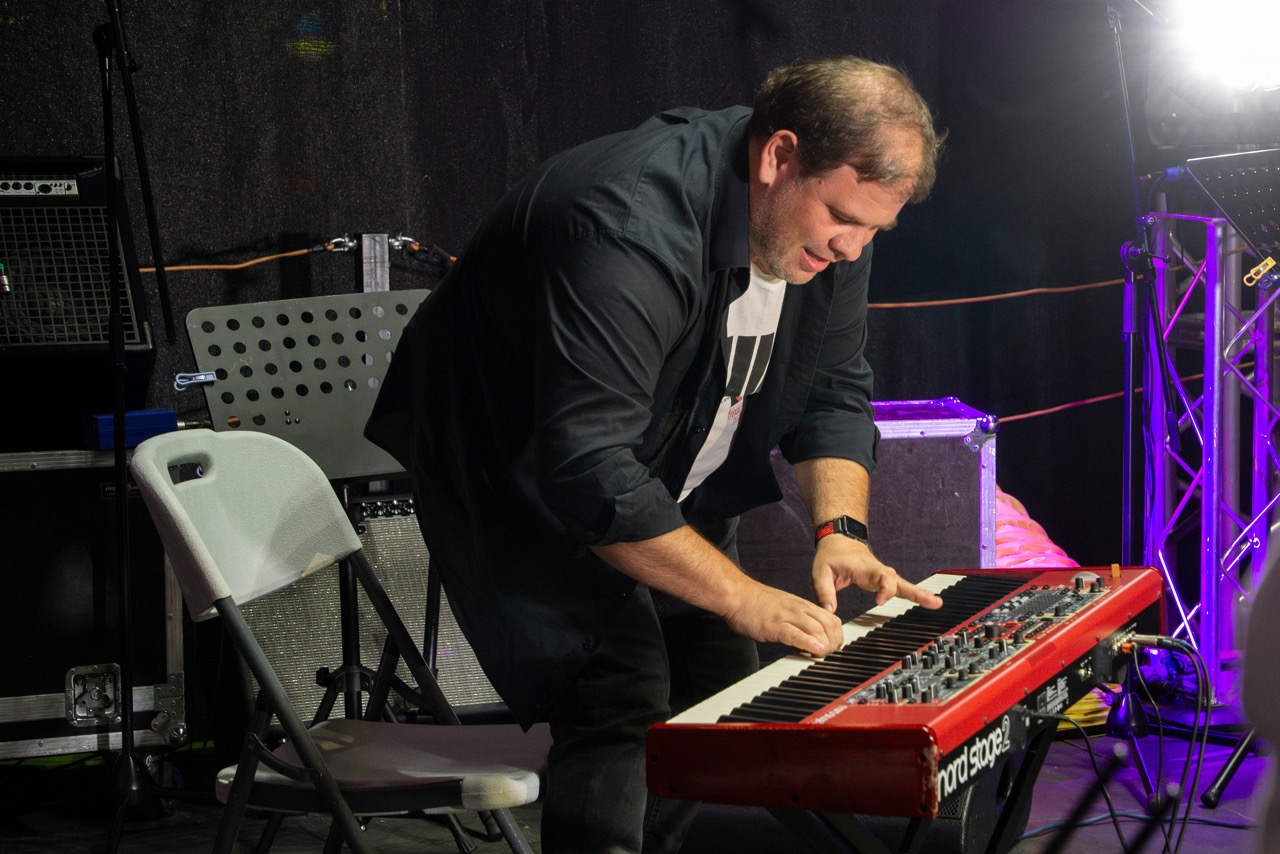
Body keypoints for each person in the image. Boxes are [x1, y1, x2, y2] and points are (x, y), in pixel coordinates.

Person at [366, 55, 945, 853]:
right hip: (514, 468)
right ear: (778, 156)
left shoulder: (832, 224)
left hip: (653, 462)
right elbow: (587, 470)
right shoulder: (628, 224)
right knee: (621, 691)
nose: (853, 247)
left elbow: (833, 391)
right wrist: (740, 594)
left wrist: (839, 529)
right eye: (844, 219)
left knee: (716, 690)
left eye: (875, 229)